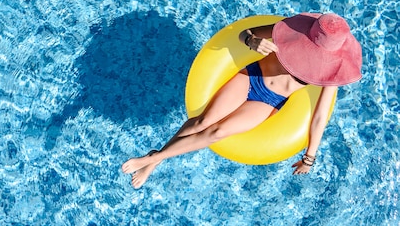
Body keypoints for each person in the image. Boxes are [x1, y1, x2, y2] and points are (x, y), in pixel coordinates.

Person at [121, 13, 362, 189]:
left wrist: (310, 157)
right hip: (252, 76)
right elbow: (245, 33)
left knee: (217, 132)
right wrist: (251, 42)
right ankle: (154, 160)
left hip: (270, 100)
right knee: (202, 121)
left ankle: (154, 158)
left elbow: (320, 116)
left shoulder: (333, 70)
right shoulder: (292, 30)